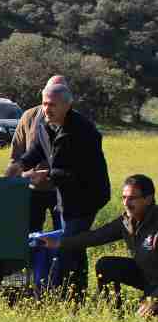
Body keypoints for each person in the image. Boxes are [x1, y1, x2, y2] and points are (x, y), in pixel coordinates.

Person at [13, 82, 110, 298]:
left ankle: (62, 296)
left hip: (86, 196)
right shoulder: (46, 124)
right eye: (44, 103)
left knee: (68, 243)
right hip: (65, 194)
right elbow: (37, 149)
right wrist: (19, 165)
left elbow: (77, 173)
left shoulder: (84, 132)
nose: (47, 109)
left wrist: (45, 175)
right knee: (74, 242)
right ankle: (75, 291)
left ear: (67, 105)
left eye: (52, 104)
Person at [40, 175, 158, 317]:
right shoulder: (127, 222)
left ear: (148, 199)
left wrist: (154, 299)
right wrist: (59, 243)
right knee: (105, 265)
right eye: (124, 197)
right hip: (146, 276)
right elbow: (95, 236)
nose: (126, 203)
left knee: (146, 319)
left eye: (132, 198)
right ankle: (115, 314)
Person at [7, 75, 67, 233]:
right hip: (31, 189)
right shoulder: (29, 116)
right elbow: (17, 151)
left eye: (59, 92)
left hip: (62, 191)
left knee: (66, 238)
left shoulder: (75, 123)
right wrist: (20, 173)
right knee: (30, 238)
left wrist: (48, 174)